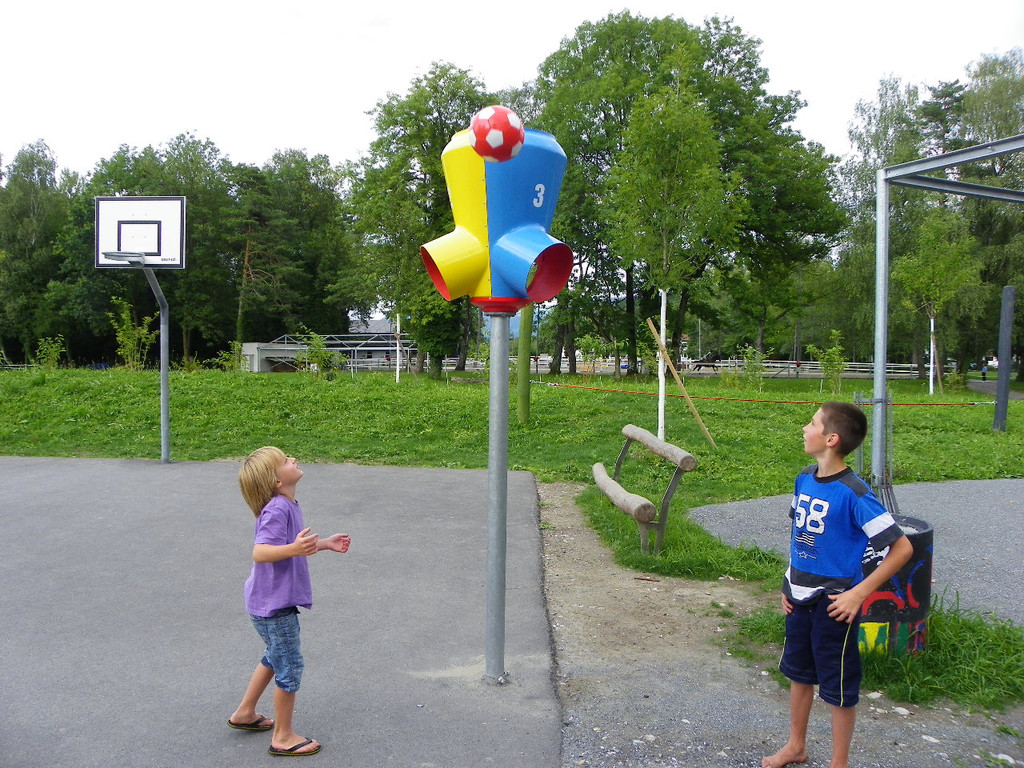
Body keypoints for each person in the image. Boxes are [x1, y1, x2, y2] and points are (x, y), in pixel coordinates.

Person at [763, 402, 912, 768]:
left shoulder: (854, 493)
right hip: (799, 598)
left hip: (835, 606)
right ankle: (796, 746)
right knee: (798, 674)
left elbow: (902, 547)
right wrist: (788, 582)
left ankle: (839, 762)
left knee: (838, 686)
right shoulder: (804, 478)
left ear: (831, 439)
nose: (804, 428)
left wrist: (858, 594)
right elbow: (800, 537)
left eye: (812, 423)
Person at [228, 446, 351, 757]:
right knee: (290, 666)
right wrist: (295, 549)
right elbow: (261, 552)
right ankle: (282, 736)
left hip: (268, 602)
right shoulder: (277, 509)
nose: (292, 459)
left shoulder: (287, 504)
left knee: (275, 656)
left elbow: (293, 545)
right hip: (274, 606)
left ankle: (244, 713)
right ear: (276, 481)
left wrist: (324, 544)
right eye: (284, 461)